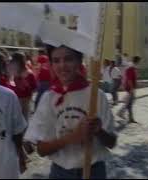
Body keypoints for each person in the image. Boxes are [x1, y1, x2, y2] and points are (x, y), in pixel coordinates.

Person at [24, 45, 117, 179]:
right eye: (56, 61)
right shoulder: (49, 98)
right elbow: (42, 150)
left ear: (79, 62)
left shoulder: (96, 95)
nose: (62, 65)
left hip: (94, 172)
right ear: (51, 65)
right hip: (61, 173)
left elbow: (112, 142)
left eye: (68, 59)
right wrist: (73, 137)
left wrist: (99, 131)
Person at [0, 52, 27, 179]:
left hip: (5, 163)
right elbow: (17, 133)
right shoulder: (8, 95)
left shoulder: (8, 95)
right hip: (5, 163)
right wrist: (21, 155)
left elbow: (17, 133)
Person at [117, 56, 141, 123]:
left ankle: (129, 117)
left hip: (131, 88)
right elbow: (129, 80)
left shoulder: (133, 68)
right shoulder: (131, 68)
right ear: (137, 61)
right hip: (130, 88)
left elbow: (133, 78)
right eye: (139, 61)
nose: (139, 63)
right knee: (129, 103)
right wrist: (132, 88)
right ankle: (121, 113)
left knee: (130, 103)